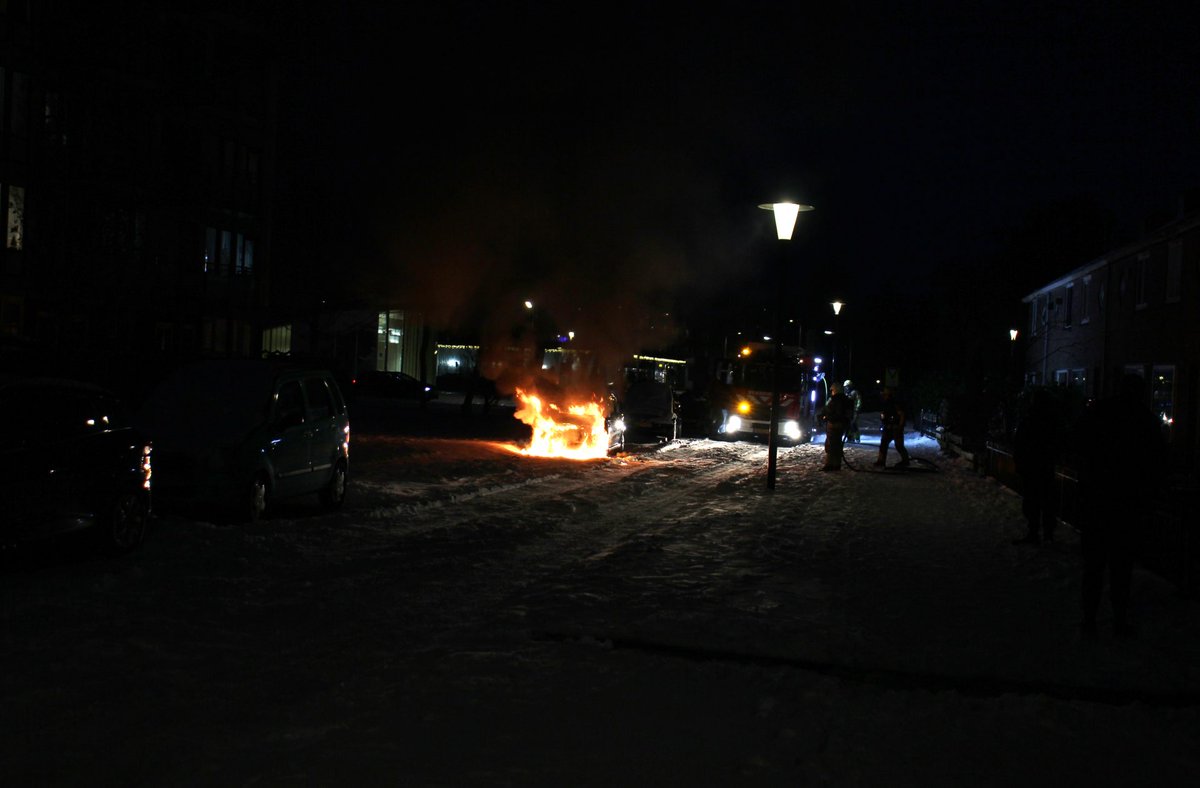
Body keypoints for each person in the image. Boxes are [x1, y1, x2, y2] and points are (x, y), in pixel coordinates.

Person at [1074, 373, 1164, 639]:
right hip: (1126, 506)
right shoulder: (1144, 420)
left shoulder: (1098, 414)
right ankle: (1119, 620)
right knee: (1121, 569)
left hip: (1096, 503)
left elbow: (1079, 446)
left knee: (1093, 568)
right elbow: (1156, 462)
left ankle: (1089, 620)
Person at [1011, 388, 1061, 545]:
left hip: (1032, 467)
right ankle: (1047, 534)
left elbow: (1019, 443)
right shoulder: (1052, 420)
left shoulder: (1030, 419)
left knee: (1033, 501)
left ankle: (1035, 532)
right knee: (1046, 502)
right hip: (1044, 467)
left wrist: (1020, 463)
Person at [820, 381, 853, 471]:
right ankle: (836, 464)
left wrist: (827, 417)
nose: (832, 392)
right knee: (836, 444)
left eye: (833, 390)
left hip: (834, 424)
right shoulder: (845, 399)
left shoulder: (835, 400)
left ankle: (830, 465)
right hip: (840, 425)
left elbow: (835, 413)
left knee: (832, 445)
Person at [875, 387, 910, 468]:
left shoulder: (894, 403)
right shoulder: (886, 403)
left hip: (895, 427)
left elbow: (901, 414)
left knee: (899, 445)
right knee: (883, 443)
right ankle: (881, 461)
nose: (883, 396)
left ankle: (905, 461)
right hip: (888, 427)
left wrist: (900, 426)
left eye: (884, 395)